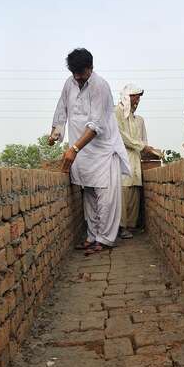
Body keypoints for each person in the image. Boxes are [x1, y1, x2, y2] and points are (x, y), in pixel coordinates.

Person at [48, 48, 130, 255]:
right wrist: (55, 133)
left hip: (102, 151)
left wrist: (74, 148)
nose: (78, 79)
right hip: (82, 152)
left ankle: (105, 239)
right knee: (89, 195)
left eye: (81, 75)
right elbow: (62, 110)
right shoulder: (70, 83)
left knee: (106, 197)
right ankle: (92, 236)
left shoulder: (100, 86)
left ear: (90, 69)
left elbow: (96, 125)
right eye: (75, 74)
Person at [115, 84, 159, 239]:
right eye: (135, 97)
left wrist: (150, 151)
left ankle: (130, 226)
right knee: (122, 192)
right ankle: (121, 227)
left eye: (139, 98)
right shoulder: (116, 112)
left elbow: (143, 141)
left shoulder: (138, 119)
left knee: (134, 192)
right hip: (120, 158)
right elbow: (121, 136)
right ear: (127, 97)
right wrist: (142, 146)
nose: (137, 100)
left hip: (135, 160)